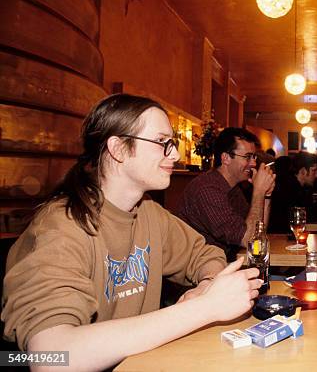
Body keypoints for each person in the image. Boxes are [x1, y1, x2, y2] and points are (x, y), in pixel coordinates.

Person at [1, 94, 262, 370]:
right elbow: (50, 358)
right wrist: (202, 308)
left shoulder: (149, 212)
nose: (174, 154)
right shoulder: (61, 225)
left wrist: (207, 285)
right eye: (162, 143)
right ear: (118, 148)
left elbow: (205, 254)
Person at [177, 128, 275, 261]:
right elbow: (249, 240)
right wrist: (258, 192)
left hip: (225, 266)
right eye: (247, 157)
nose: (253, 164)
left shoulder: (233, 188)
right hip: (202, 274)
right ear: (226, 158)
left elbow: (257, 232)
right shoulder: (207, 190)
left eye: (254, 157)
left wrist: (266, 195)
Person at [267, 152, 317, 233]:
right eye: (314, 170)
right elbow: (308, 217)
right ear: (303, 171)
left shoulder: (298, 187)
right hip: (281, 239)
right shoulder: (289, 189)